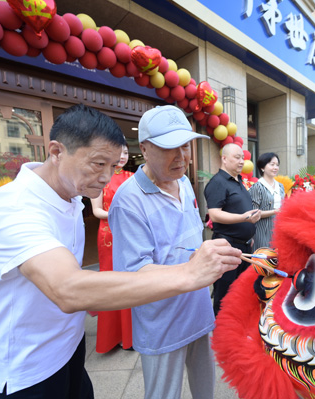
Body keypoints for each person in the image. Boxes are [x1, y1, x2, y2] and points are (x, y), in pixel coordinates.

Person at [0, 104, 241, 398]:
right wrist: (191, 272)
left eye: (112, 166)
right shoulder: (15, 207)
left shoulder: (71, 197)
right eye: (98, 164)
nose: (106, 178)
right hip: (26, 370)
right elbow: (68, 289)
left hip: (69, 350)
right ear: (56, 152)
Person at [109, 105, 238, 399]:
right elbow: (133, 273)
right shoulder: (128, 201)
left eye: (185, 146)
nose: (181, 157)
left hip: (198, 309)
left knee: (206, 389)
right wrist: (192, 268)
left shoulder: (183, 182)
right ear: (144, 148)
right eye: (169, 148)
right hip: (162, 320)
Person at [204, 143, 261, 315]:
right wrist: (244, 218)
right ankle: (221, 331)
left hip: (243, 245)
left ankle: (236, 327)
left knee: (240, 290)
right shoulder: (218, 182)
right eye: (237, 157)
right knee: (224, 293)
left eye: (242, 158)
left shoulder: (239, 181)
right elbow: (214, 214)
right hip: (226, 245)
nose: (242, 161)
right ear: (224, 158)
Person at [90, 144, 133, 353]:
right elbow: (97, 211)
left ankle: (131, 337)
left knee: (130, 281)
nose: (123, 156)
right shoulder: (99, 176)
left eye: (126, 152)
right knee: (111, 283)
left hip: (130, 233)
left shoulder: (133, 177)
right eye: (119, 152)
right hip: (109, 235)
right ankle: (112, 337)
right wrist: (121, 213)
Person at [249, 152, 285, 250]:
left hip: (279, 230)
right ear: (262, 167)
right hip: (263, 232)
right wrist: (275, 212)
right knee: (263, 260)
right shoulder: (257, 187)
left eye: (277, 165)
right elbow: (254, 213)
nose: (275, 167)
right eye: (272, 164)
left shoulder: (280, 186)